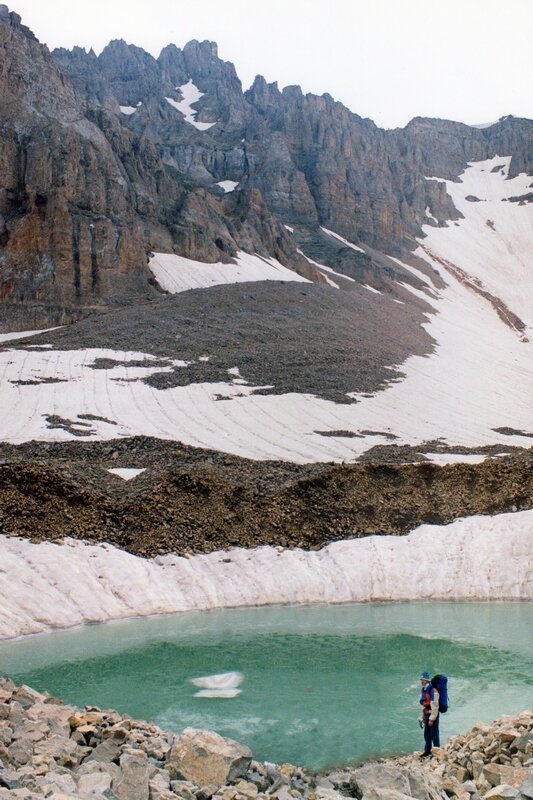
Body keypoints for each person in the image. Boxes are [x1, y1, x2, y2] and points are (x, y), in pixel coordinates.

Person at [419, 671, 440, 758]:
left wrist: (432, 718)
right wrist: (421, 717)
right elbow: (424, 705)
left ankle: (436, 753)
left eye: (424, 680)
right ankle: (427, 751)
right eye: (421, 680)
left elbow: (435, 706)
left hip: (432, 715)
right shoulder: (424, 690)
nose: (422, 681)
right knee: (427, 734)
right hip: (426, 714)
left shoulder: (432, 690)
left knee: (434, 734)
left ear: (427, 680)